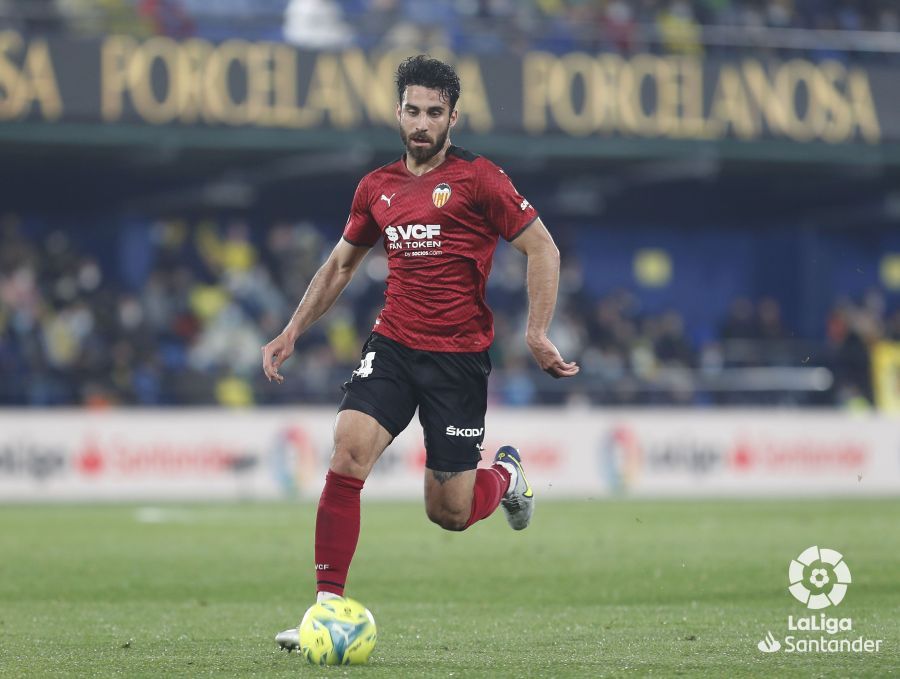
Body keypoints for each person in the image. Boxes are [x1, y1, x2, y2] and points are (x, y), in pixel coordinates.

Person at [263, 55, 579, 648]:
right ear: (397, 112)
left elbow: (544, 249)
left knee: (450, 512)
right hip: (394, 344)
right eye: (413, 110)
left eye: (434, 113)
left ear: (453, 117)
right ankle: (326, 608)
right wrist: (292, 331)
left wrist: (537, 333)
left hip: (457, 359)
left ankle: (507, 477)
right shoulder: (376, 187)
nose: (421, 123)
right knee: (348, 450)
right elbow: (339, 265)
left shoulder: (480, 179)